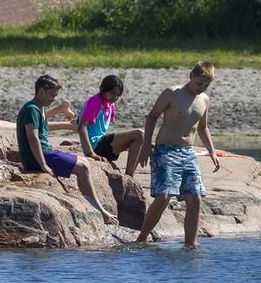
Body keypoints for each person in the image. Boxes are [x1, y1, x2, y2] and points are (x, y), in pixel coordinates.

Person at [134, 61, 221, 247]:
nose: (201, 88)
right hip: (166, 150)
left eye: (206, 86)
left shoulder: (204, 99)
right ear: (191, 76)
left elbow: (203, 128)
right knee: (164, 196)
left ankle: (191, 245)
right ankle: (141, 238)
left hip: (188, 153)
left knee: (195, 199)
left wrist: (212, 152)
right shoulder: (172, 93)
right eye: (199, 83)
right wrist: (146, 145)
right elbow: (152, 117)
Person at [16, 74, 118, 225]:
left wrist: (68, 126)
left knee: (84, 162)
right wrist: (43, 165)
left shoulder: (39, 108)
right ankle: (99, 210)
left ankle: (96, 207)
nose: (53, 99)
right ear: (41, 91)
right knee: (82, 167)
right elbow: (33, 138)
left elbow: (44, 130)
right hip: (38, 157)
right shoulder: (32, 109)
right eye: (52, 95)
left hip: (46, 152)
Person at [76, 74, 145, 176]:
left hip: (103, 145)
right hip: (95, 147)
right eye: (112, 93)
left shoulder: (110, 104)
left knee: (141, 138)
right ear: (103, 89)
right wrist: (91, 153)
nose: (115, 97)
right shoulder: (95, 101)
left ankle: (129, 176)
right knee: (139, 134)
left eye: (118, 95)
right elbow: (81, 127)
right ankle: (129, 175)